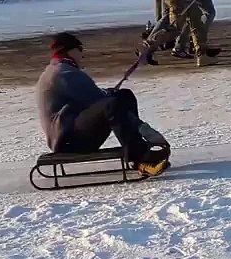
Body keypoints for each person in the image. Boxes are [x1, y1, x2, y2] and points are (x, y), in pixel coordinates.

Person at [37, 31, 171, 177]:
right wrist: (141, 126)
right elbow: (98, 100)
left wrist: (111, 94)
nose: (82, 54)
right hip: (67, 141)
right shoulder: (62, 72)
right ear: (70, 51)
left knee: (123, 96)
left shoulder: (61, 70)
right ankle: (139, 159)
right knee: (112, 105)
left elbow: (90, 97)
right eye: (80, 50)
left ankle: (139, 151)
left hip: (71, 131)